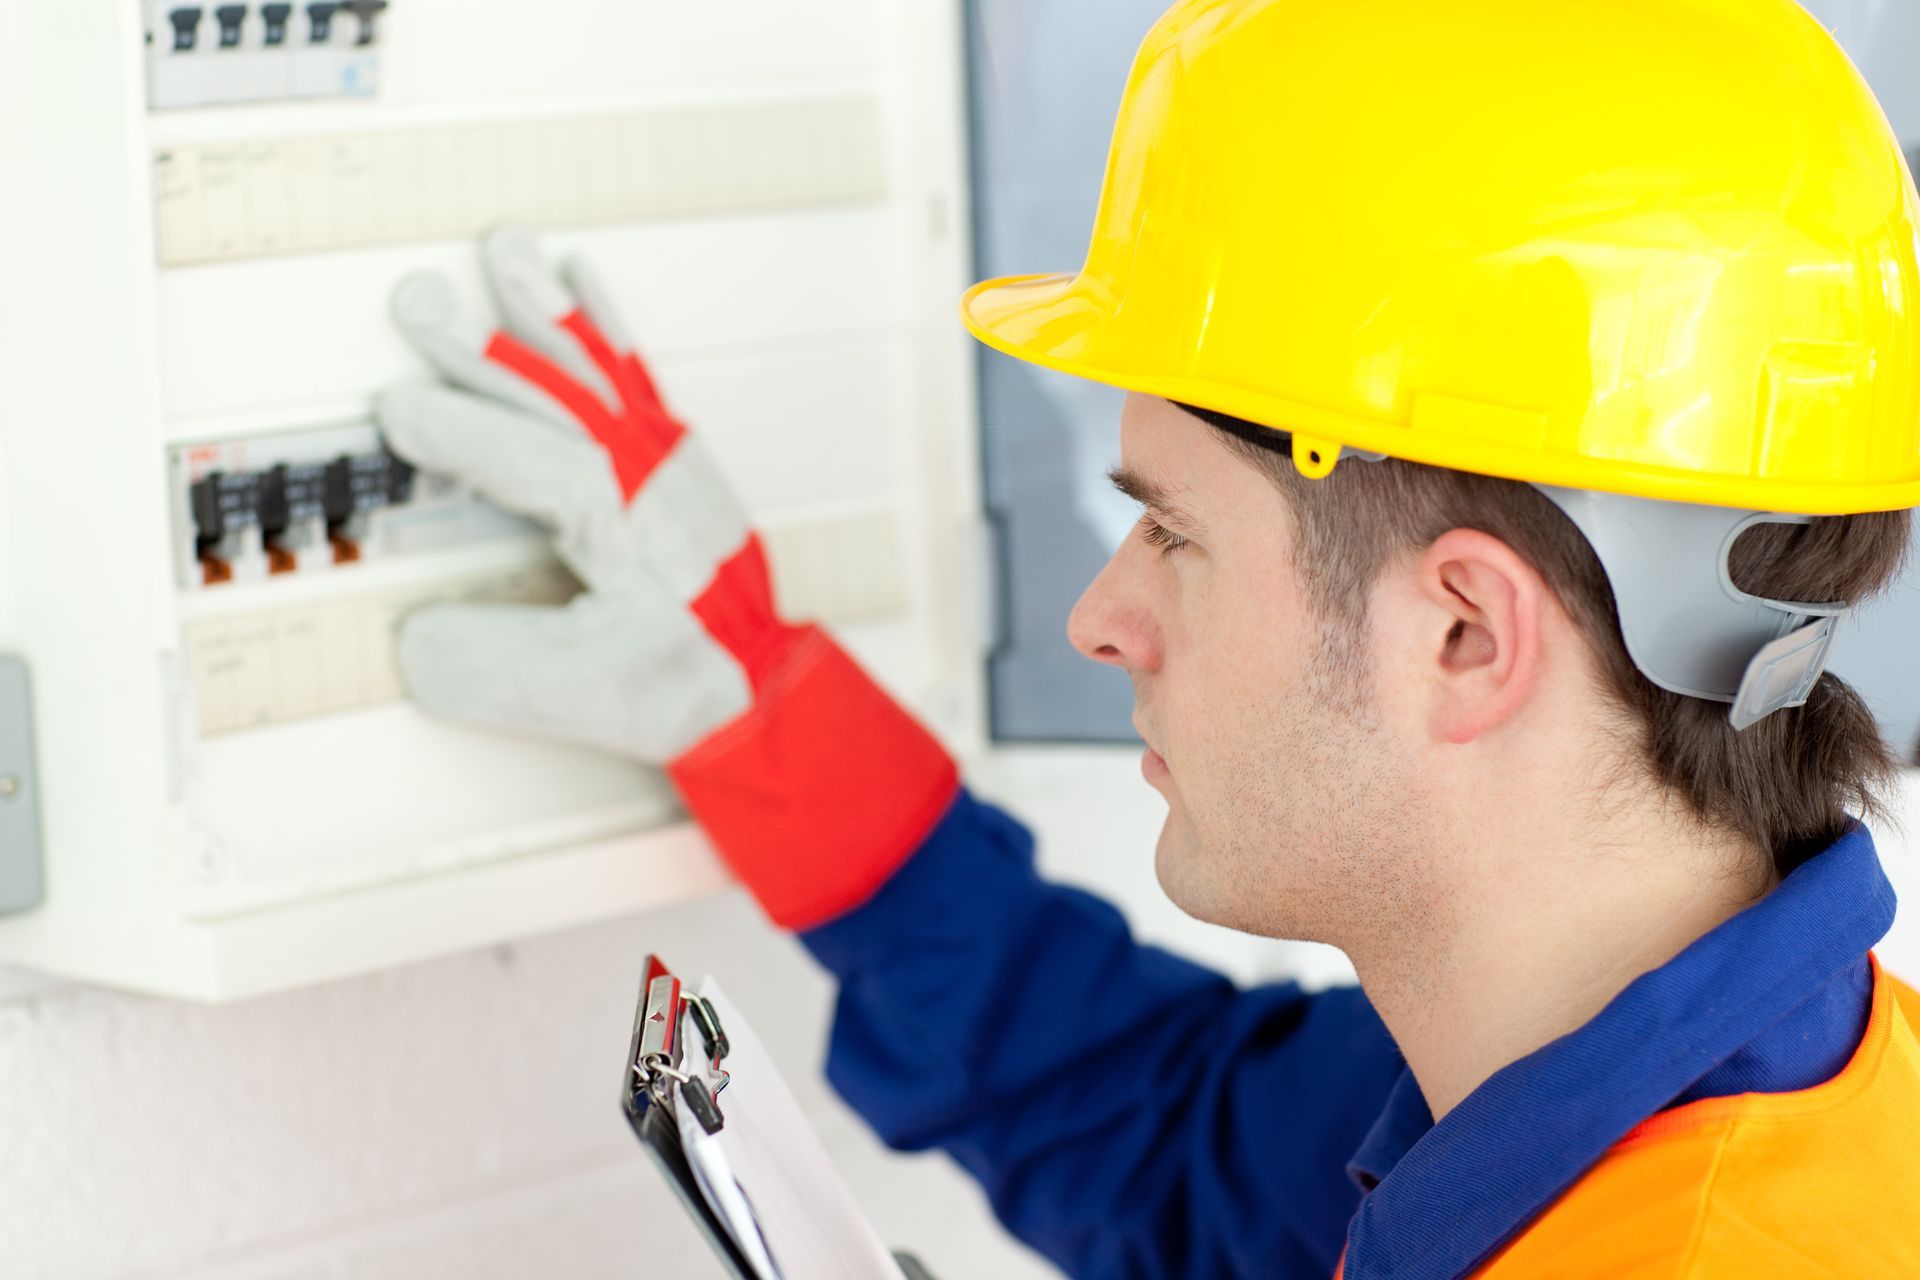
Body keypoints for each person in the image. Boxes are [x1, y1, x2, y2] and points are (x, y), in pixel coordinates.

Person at [375, 1, 1920, 1275]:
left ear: (1462, 635)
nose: (1098, 617)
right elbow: (1167, 1133)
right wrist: (775, 719)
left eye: (1174, 532)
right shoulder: (1677, 1091)